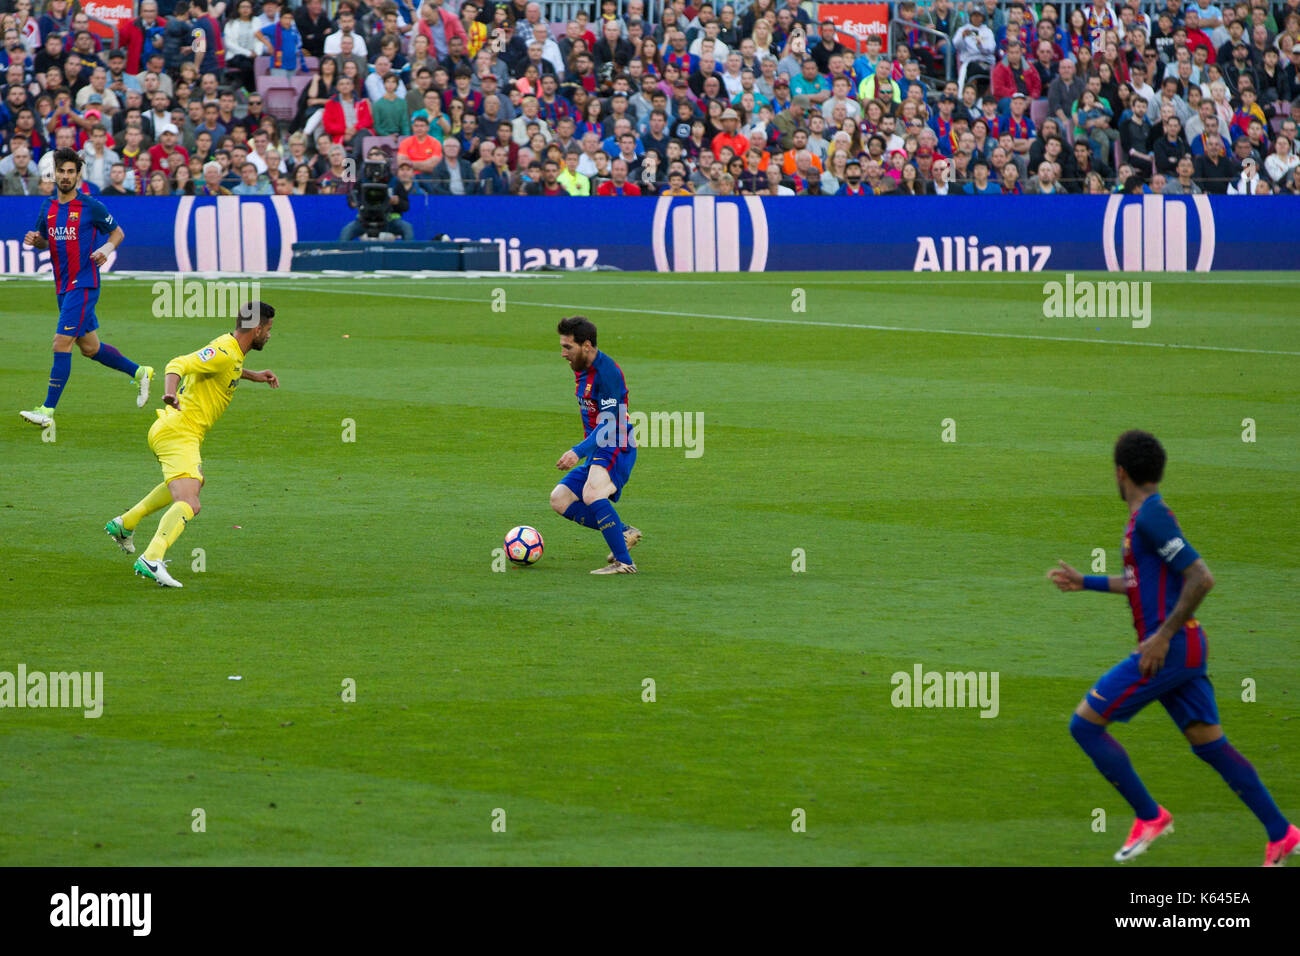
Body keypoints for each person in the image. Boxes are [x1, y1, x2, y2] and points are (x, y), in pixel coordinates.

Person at [1049, 430, 1299, 866]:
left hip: (1171, 650)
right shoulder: (1148, 517)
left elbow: (1201, 577)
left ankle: (1150, 816)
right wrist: (1084, 582)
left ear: (1120, 472)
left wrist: (1162, 636)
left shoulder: (1151, 519)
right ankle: (1282, 833)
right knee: (1211, 745)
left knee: (1085, 725)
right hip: (1183, 649)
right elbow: (1140, 583)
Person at [107, 303, 279, 588]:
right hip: (178, 431)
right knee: (189, 501)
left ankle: (125, 523)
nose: (270, 336)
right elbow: (177, 364)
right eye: (269, 330)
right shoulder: (224, 351)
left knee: (193, 483)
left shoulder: (231, 351)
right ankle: (152, 558)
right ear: (257, 329)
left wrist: (253, 375)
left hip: (177, 430)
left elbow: (226, 368)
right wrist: (169, 393)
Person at [19, 148, 152, 430]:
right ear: (53, 173)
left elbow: (118, 232)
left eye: (71, 172)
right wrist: (36, 240)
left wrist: (105, 248)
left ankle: (47, 410)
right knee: (90, 348)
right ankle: (140, 372)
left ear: (78, 175)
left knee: (61, 342)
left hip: (85, 283)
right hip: (63, 286)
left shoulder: (91, 206)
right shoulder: (48, 207)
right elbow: (45, 240)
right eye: (61, 171)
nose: (66, 177)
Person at [549, 316, 640, 575]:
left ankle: (625, 563)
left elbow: (611, 424)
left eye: (568, 347)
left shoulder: (607, 373)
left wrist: (577, 451)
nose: (563, 353)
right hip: (599, 447)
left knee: (591, 495)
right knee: (560, 499)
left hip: (616, 444)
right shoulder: (581, 370)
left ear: (586, 345)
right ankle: (623, 532)